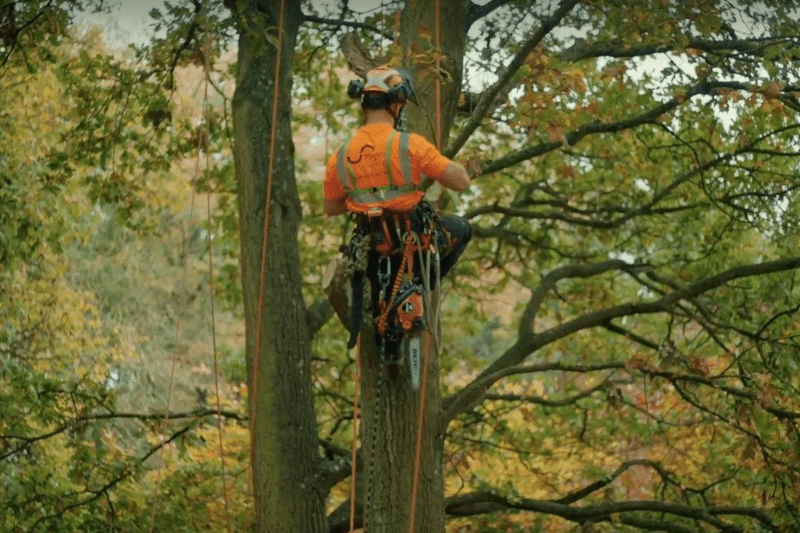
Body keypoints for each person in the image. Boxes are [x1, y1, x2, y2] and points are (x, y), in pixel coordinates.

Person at [323, 65, 472, 353]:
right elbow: (461, 181)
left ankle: (394, 309)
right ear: (397, 103)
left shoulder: (340, 156)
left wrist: (364, 197)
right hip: (411, 242)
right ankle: (419, 283)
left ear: (364, 103)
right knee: (462, 229)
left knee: (377, 288)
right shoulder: (409, 145)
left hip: (370, 247)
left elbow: (331, 207)